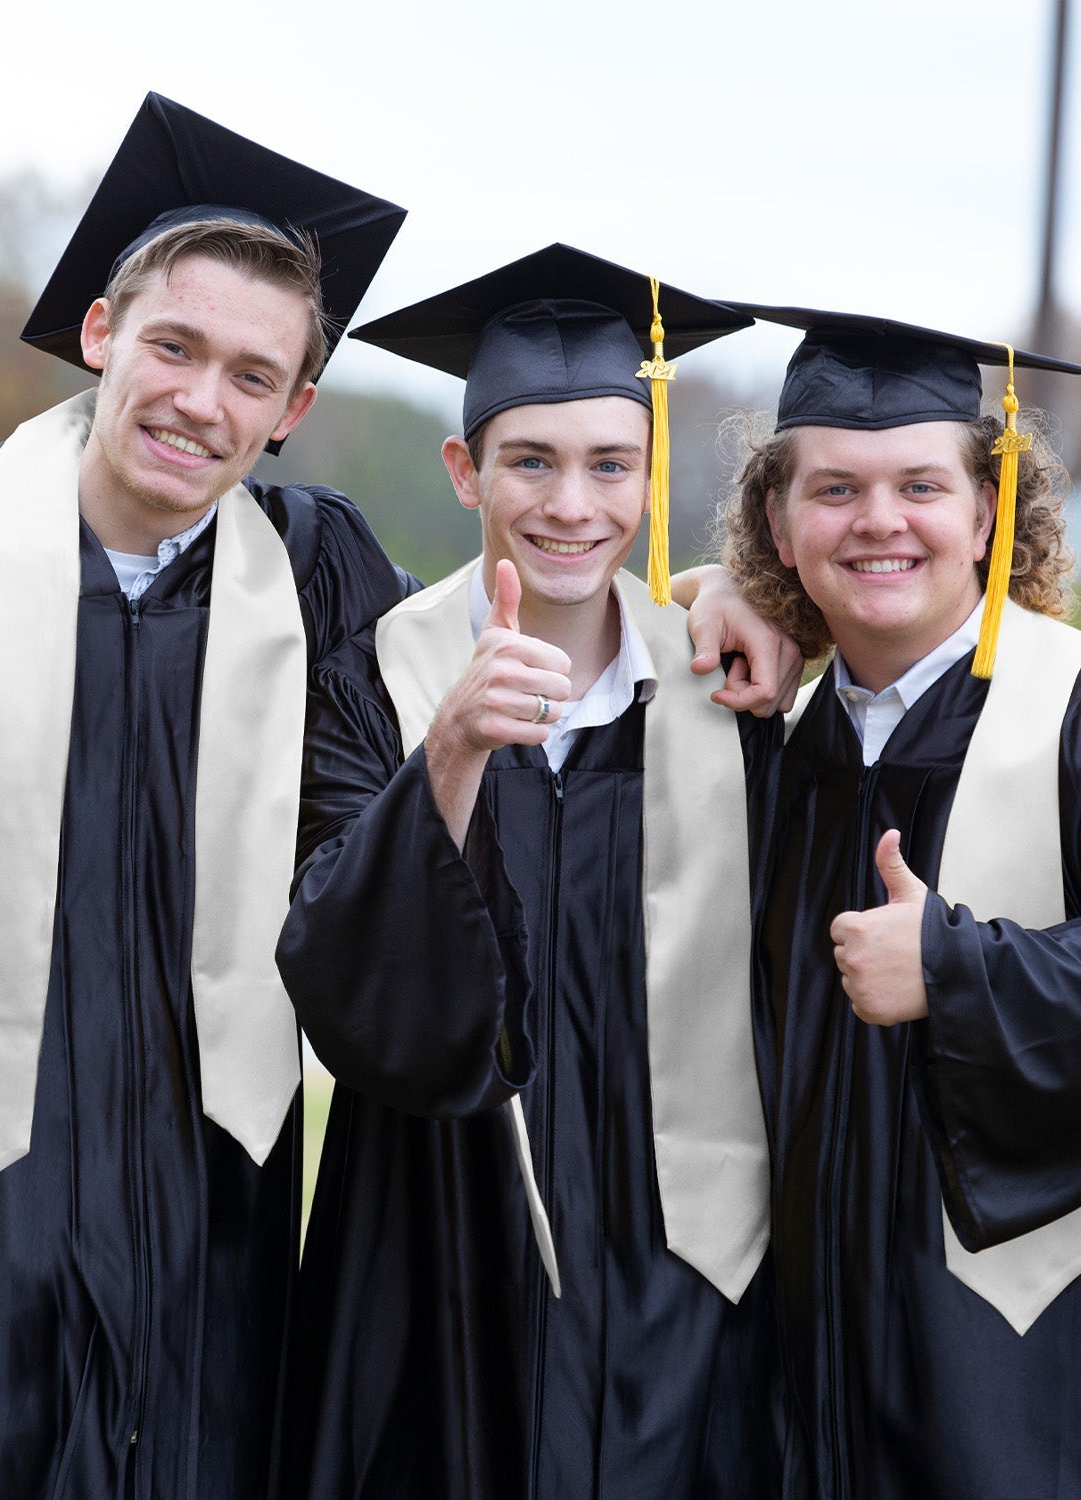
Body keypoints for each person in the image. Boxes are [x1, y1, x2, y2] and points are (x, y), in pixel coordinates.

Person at [0, 95, 409, 1499]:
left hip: (207, 1180)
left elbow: (457, 737)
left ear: (292, 413)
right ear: (101, 335)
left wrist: (716, 615)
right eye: (174, 346)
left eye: (251, 377)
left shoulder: (320, 572)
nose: (201, 401)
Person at [275, 246, 782, 1499]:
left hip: (680, 1268)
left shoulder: (732, 691)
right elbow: (341, 980)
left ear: (651, 474)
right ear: (467, 473)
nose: (573, 503)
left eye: (611, 464)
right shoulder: (372, 681)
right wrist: (449, 747)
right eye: (531, 461)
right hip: (434, 1255)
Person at [712, 306, 1081, 1499]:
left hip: (1016, 1371)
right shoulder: (758, 744)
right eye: (835, 490)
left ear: (987, 508)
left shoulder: (1067, 707)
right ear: (777, 518)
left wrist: (958, 968)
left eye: (920, 485)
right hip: (797, 1373)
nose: (879, 522)